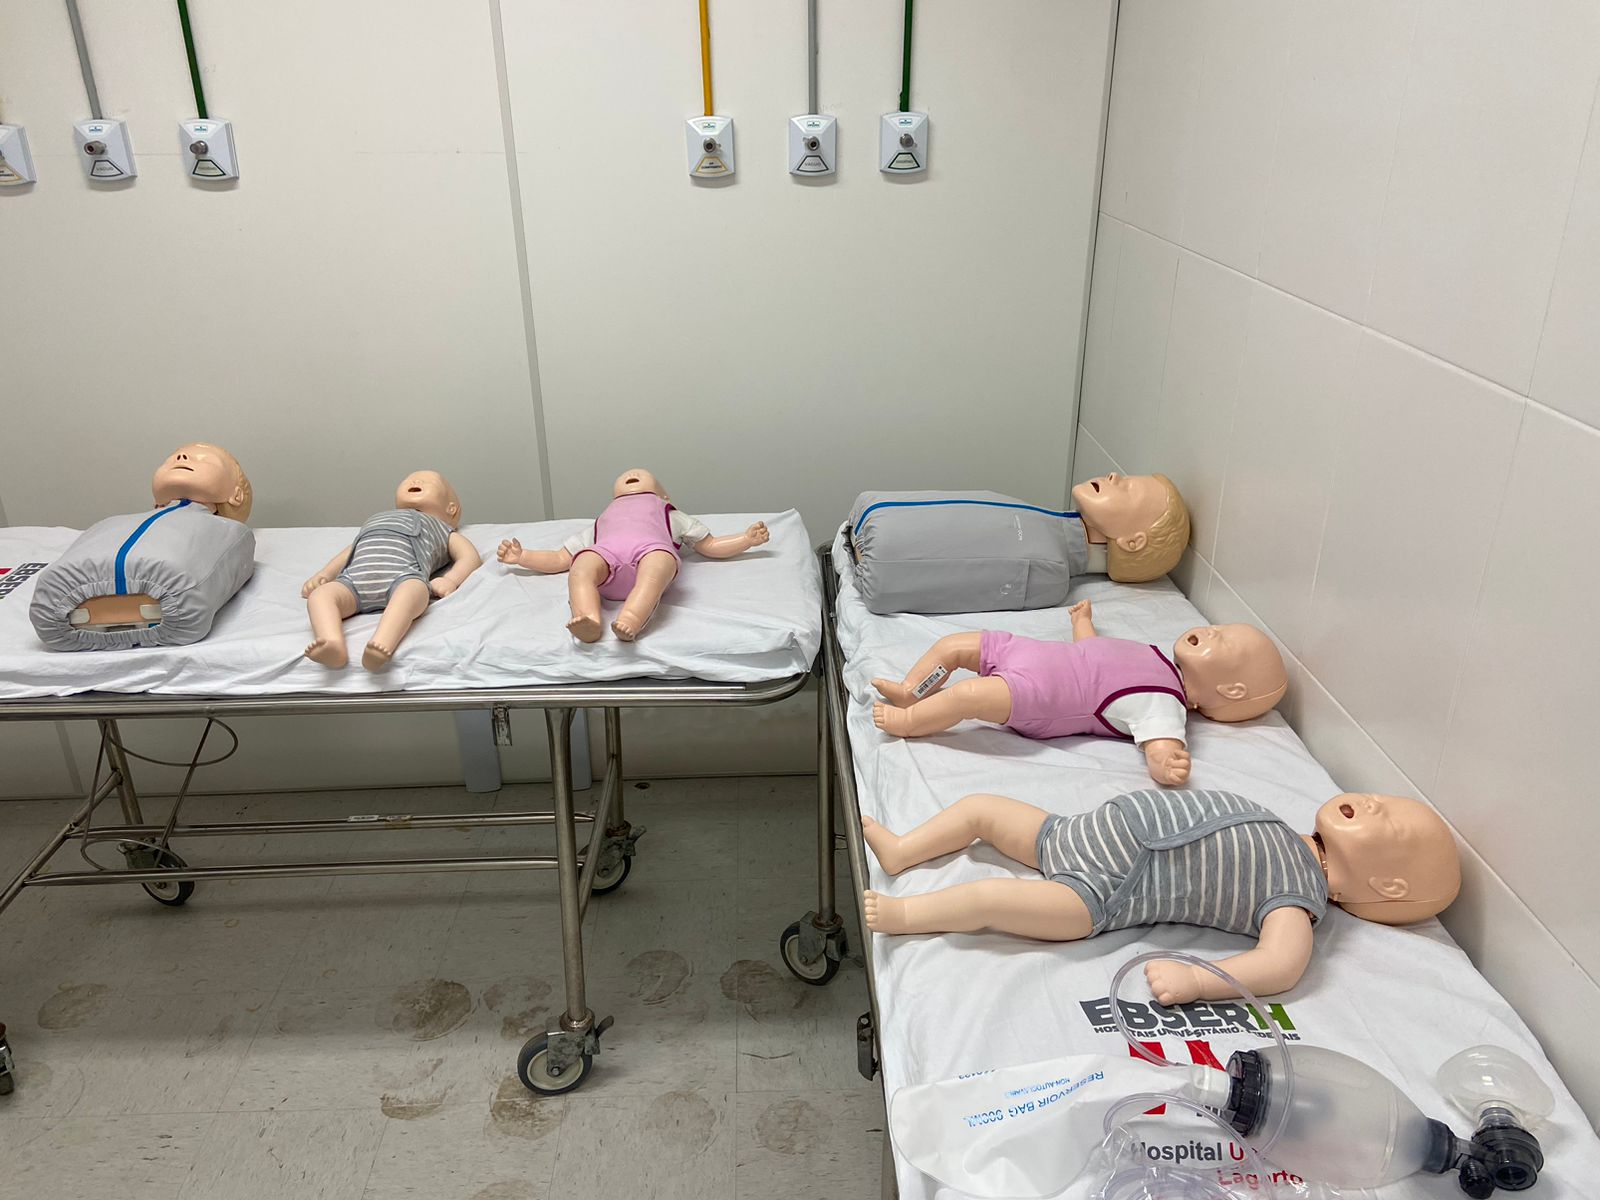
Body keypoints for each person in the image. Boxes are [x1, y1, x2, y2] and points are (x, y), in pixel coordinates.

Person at [860, 788, 1461, 1003]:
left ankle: (907, 913)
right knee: (979, 808)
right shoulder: (1286, 830)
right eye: (1383, 799)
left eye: (1388, 820)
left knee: (992, 898)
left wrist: (1197, 980)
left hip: (1104, 892)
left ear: (1388, 886)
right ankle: (903, 851)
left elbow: (1281, 966)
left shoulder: (1298, 894)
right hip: (1075, 832)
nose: (1374, 801)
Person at [872, 598, 1286, 785]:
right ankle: (912, 690)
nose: (1212, 630)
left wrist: (1166, 763)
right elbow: (1095, 652)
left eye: (1224, 640)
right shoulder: (1155, 654)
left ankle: (908, 721)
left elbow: (1161, 742)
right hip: (1033, 652)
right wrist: (1082, 623)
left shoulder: (1166, 702)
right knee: (954, 646)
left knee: (968, 697)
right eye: (1220, 627)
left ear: (1232, 689)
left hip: (1044, 694)